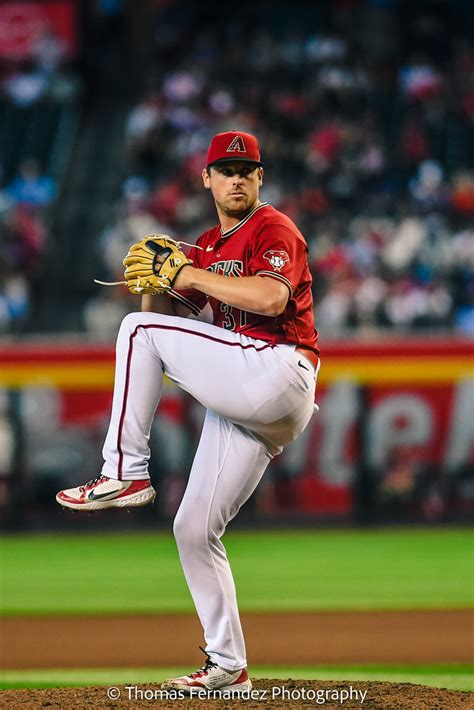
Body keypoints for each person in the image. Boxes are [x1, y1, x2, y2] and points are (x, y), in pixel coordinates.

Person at [56, 131, 320, 694]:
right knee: (194, 528)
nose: (236, 178)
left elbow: (273, 299)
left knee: (137, 333)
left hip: (280, 370)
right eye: (225, 170)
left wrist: (182, 276)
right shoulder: (203, 244)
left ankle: (124, 471)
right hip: (250, 396)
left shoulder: (274, 228)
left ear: (261, 178)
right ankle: (229, 667)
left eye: (246, 170)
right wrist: (152, 283)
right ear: (206, 179)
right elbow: (170, 316)